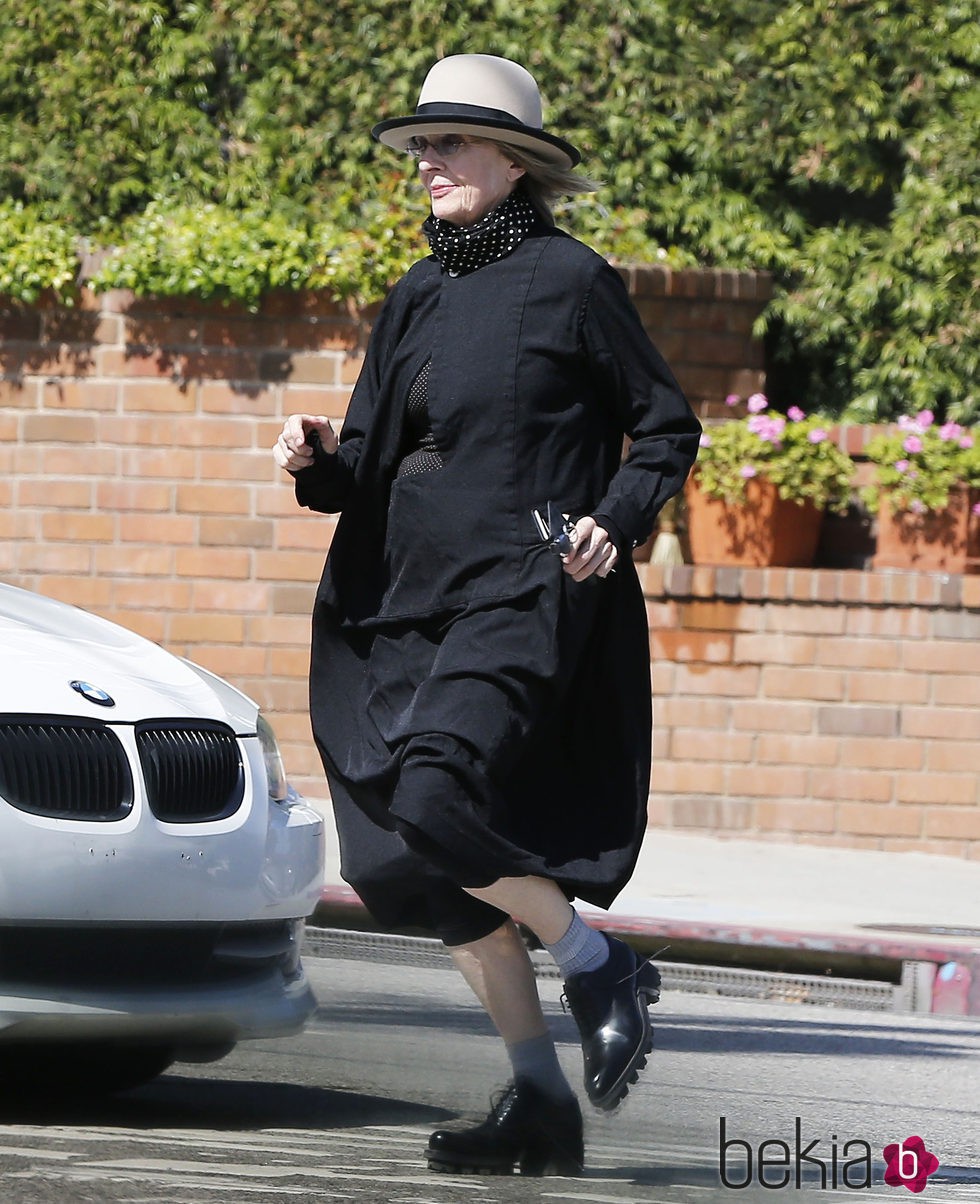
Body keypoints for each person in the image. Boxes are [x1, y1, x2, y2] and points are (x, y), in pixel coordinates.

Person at [274, 53, 701, 1177]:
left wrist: (617, 513)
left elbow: (663, 428)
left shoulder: (571, 282)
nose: (428, 162)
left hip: (524, 587)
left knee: (435, 797)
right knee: (416, 855)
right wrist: (319, 457)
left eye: (450, 143)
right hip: (397, 604)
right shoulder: (416, 294)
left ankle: (595, 958)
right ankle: (536, 1100)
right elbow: (367, 457)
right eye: (421, 145)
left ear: (513, 164)